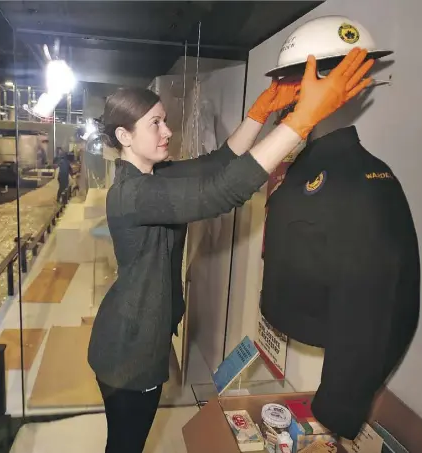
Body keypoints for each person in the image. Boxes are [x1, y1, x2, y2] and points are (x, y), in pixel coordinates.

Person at [87, 48, 374, 453]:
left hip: (129, 337)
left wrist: (260, 113)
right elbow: (223, 191)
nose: (167, 131)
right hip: (128, 351)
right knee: (126, 444)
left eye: (165, 121)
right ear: (124, 136)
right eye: (155, 124)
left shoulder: (153, 176)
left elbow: (218, 164)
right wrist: (301, 120)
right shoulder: (135, 194)